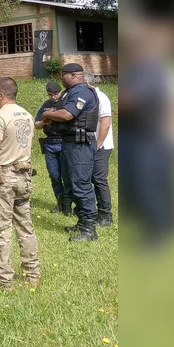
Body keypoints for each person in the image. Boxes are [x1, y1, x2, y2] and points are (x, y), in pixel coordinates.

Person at [0, 77, 41, 291]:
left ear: (0, 94)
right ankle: (33, 275)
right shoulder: (27, 115)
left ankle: (3, 281)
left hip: (3, 178)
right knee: (26, 226)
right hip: (24, 176)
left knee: (0, 227)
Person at [41, 63, 100, 241]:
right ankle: (82, 222)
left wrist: (48, 115)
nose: (61, 79)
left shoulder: (83, 92)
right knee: (73, 184)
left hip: (80, 146)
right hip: (69, 143)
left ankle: (90, 229)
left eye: (63, 76)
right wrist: (52, 113)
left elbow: (67, 115)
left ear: (73, 75)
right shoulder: (69, 92)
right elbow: (58, 110)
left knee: (81, 185)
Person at [34, 81, 71, 215]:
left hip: (64, 143)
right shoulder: (46, 105)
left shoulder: (66, 103)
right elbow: (37, 125)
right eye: (50, 94)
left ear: (60, 92)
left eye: (55, 94)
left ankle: (67, 206)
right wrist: (45, 120)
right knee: (54, 176)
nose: (53, 97)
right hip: (50, 144)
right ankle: (60, 203)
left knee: (66, 176)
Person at [85, 72, 114, 227]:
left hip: (101, 146)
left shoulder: (101, 98)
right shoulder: (88, 98)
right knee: (89, 179)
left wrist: (98, 144)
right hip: (90, 145)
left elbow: (105, 123)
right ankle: (94, 212)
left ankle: (106, 215)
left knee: (99, 179)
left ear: (87, 83)